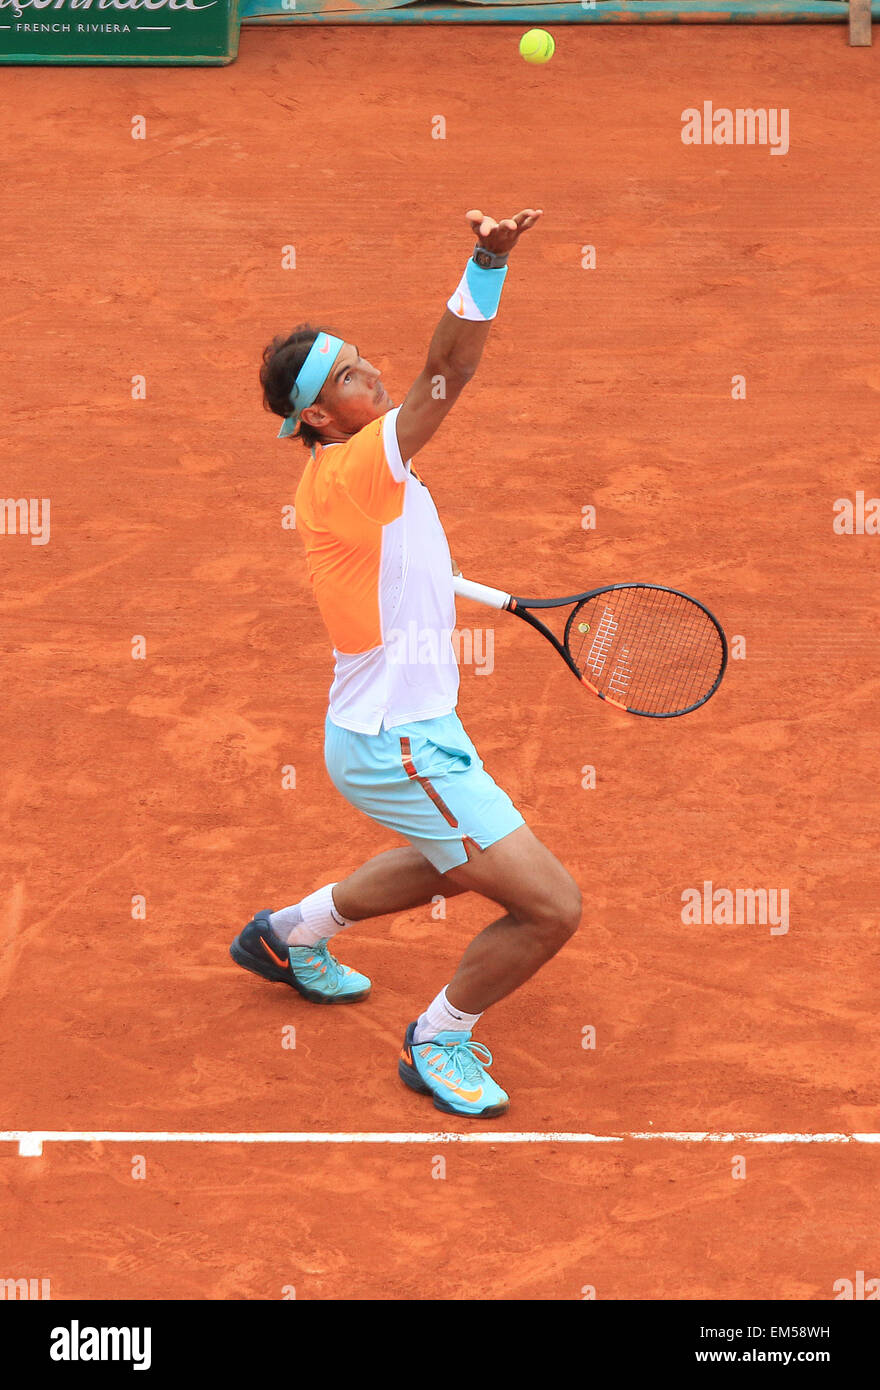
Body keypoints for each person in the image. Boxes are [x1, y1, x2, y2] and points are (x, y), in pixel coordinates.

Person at [230, 208, 581, 1117]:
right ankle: (440, 1038)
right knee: (549, 907)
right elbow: (446, 371)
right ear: (316, 413)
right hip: (400, 743)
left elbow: (391, 558)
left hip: (395, 730)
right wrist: (487, 261)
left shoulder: (347, 477)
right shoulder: (357, 470)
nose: (373, 372)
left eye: (360, 356)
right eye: (349, 374)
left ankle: (287, 934)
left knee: (447, 860)